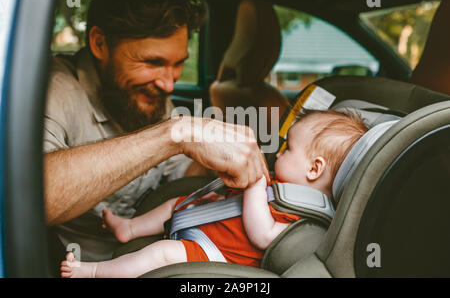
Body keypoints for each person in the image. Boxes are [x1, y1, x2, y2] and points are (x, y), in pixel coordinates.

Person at [44, 0, 268, 264]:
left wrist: (220, 161)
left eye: (179, 64)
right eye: (153, 62)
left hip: (144, 253)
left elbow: (176, 174)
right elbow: (34, 197)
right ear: (100, 44)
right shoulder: (55, 90)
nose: (168, 85)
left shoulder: (146, 94)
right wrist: (177, 134)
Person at [60, 109, 368, 277]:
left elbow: (262, 234)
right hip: (214, 225)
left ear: (314, 169)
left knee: (159, 255)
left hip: (217, 252)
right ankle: (130, 227)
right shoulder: (285, 187)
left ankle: (94, 271)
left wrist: (255, 187)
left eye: (289, 149)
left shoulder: (309, 216)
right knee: (175, 204)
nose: (280, 153)